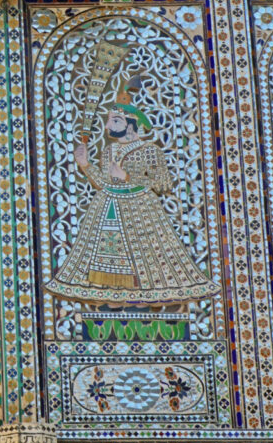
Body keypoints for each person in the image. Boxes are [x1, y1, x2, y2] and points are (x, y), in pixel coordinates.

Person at [49, 82, 216, 307]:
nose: (108, 126)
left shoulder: (149, 150)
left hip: (140, 208)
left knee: (142, 254)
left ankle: (142, 293)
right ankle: (110, 292)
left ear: (131, 126)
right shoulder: (109, 151)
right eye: (109, 121)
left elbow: (164, 184)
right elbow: (104, 183)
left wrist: (128, 178)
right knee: (107, 251)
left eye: (115, 121)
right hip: (109, 204)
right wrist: (86, 165)